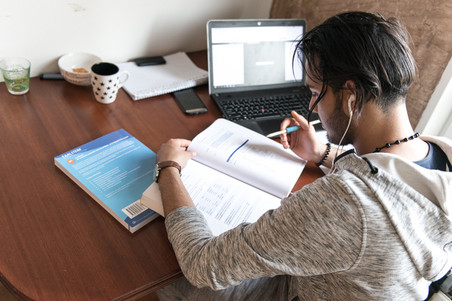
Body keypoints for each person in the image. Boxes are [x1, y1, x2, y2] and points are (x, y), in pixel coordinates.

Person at [155, 11, 452, 300]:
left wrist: (169, 168)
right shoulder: (441, 155)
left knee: (168, 280)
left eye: (314, 92)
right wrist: (320, 152)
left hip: (298, 289)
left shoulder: (345, 204)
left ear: (351, 97)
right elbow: (389, 180)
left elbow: (202, 264)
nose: (312, 108)